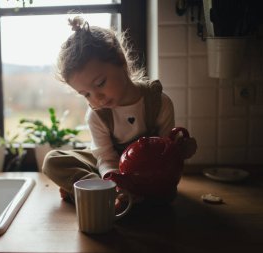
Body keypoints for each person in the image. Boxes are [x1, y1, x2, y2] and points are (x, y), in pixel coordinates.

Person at [42, 16, 197, 205]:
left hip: (145, 169)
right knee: (53, 160)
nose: (96, 98)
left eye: (100, 83)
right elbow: (105, 157)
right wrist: (115, 183)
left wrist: (180, 149)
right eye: (86, 94)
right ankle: (107, 194)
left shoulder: (158, 103)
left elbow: (166, 153)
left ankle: (91, 194)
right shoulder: (97, 114)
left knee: (165, 194)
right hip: (110, 166)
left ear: (121, 62)